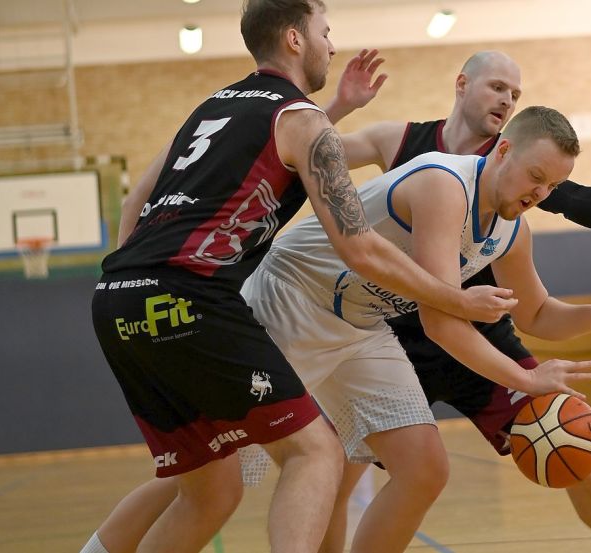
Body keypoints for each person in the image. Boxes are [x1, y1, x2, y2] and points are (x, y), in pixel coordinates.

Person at [81, 2, 515, 552]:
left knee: (208, 491)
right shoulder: (303, 121)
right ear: (294, 38)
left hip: (116, 298)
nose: (331, 45)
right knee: (315, 452)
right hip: (193, 295)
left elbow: (135, 198)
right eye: (324, 32)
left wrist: (133, 279)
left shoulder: (212, 107)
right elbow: (361, 250)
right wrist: (457, 300)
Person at [316, 49, 591, 553]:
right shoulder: (402, 141)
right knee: (335, 469)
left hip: (481, 333)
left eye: (515, 94)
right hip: (391, 335)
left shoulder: (516, 170)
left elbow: (576, 199)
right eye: (497, 87)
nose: (506, 99)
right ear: (462, 84)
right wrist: (338, 105)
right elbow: (314, 154)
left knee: (573, 439)